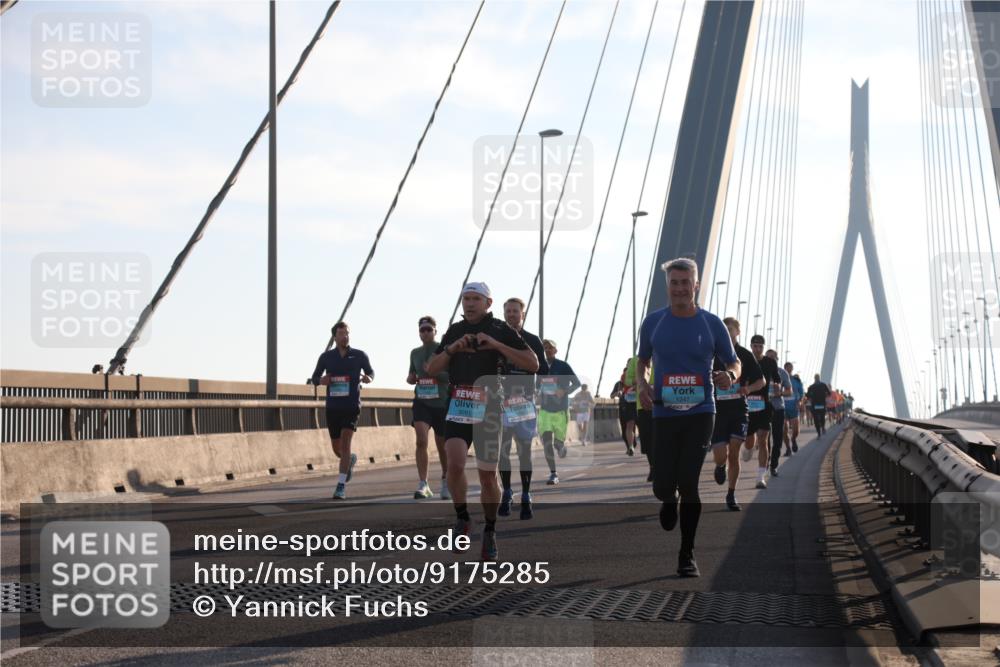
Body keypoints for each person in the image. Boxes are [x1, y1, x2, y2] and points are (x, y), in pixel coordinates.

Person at [637, 257, 740, 577]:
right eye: (674, 283)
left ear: (696, 286)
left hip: (701, 412)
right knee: (662, 485)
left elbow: (734, 363)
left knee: (689, 482)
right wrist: (642, 383)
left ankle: (687, 554)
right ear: (667, 287)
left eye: (686, 283)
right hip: (664, 412)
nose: (680, 289)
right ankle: (668, 500)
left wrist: (731, 377)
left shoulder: (712, 324)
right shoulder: (653, 323)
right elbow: (642, 362)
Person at [425, 282, 537, 561]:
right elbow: (432, 368)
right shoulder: (455, 330)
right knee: (455, 463)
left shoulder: (500, 329)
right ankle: (462, 517)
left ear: (488, 303)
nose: (470, 304)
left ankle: (490, 529)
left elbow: (533, 363)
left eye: (476, 299)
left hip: (490, 406)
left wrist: (496, 345)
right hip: (460, 402)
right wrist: (452, 350)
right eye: (466, 299)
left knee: (487, 475)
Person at [497, 297, 548, 520]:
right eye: (507, 311)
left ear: (523, 314)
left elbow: (544, 370)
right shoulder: (496, 339)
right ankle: (507, 492)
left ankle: (526, 495)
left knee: (524, 451)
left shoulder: (532, 340)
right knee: (502, 450)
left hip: (523, 402)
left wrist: (538, 390)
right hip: (501, 401)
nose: (511, 315)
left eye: (515, 311)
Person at [311, 321, 374, 500]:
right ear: (335, 337)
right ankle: (350, 461)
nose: (345, 336)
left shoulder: (359, 355)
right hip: (333, 407)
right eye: (342, 334)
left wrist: (369, 378)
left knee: (345, 444)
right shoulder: (326, 357)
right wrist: (321, 380)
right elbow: (314, 377)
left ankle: (340, 486)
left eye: (347, 333)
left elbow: (371, 372)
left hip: (351, 406)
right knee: (337, 449)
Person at [711, 318, 764, 511]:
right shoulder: (713, 353)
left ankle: (731, 494)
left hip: (739, 411)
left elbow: (761, 382)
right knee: (720, 456)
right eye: (723, 329)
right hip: (718, 411)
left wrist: (747, 389)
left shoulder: (744, 355)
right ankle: (719, 466)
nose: (726, 331)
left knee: (734, 453)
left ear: (737, 332)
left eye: (730, 329)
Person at [406, 316, 450, 499]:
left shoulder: (443, 350)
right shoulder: (415, 353)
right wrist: (410, 378)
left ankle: (446, 480)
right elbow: (411, 374)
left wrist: (435, 371)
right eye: (422, 330)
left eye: (428, 329)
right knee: (421, 441)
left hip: (441, 402)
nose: (425, 332)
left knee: (442, 445)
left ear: (435, 331)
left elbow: (450, 377)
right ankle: (423, 483)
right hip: (422, 401)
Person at [537, 340, 581, 485]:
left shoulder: (563, 366)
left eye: (550, 348)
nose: (548, 350)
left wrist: (564, 391)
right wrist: (536, 393)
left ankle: (561, 446)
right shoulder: (540, 366)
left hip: (560, 410)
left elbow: (576, 383)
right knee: (547, 442)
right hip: (545, 410)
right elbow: (538, 386)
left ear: (556, 350)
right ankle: (553, 474)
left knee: (556, 443)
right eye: (545, 347)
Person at [743, 335, 781, 489]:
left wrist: (777, 386)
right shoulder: (745, 360)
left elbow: (777, 379)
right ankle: (749, 447)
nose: (758, 349)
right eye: (755, 346)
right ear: (751, 346)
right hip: (747, 404)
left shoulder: (770, 362)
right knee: (749, 440)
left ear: (763, 348)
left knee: (763, 439)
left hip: (764, 405)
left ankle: (760, 477)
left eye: (760, 346)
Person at [765, 349, 792, 477]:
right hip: (763, 407)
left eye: (773, 358)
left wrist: (779, 393)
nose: (770, 360)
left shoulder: (782, 373)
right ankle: (765, 461)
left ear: (777, 359)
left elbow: (789, 391)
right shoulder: (759, 370)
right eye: (768, 358)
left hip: (778, 408)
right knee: (764, 437)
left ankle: (774, 465)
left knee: (777, 438)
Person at [783, 366, 804, 454]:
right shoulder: (779, 378)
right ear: (784, 368)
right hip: (782, 407)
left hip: (794, 407)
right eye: (786, 367)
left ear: (792, 369)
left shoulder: (797, 381)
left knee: (796, 430)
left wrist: (799, 402)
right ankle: (788, 448)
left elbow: (801, 394)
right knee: (784, 429)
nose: (788, 369)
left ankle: (793, 439)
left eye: (790, 367)